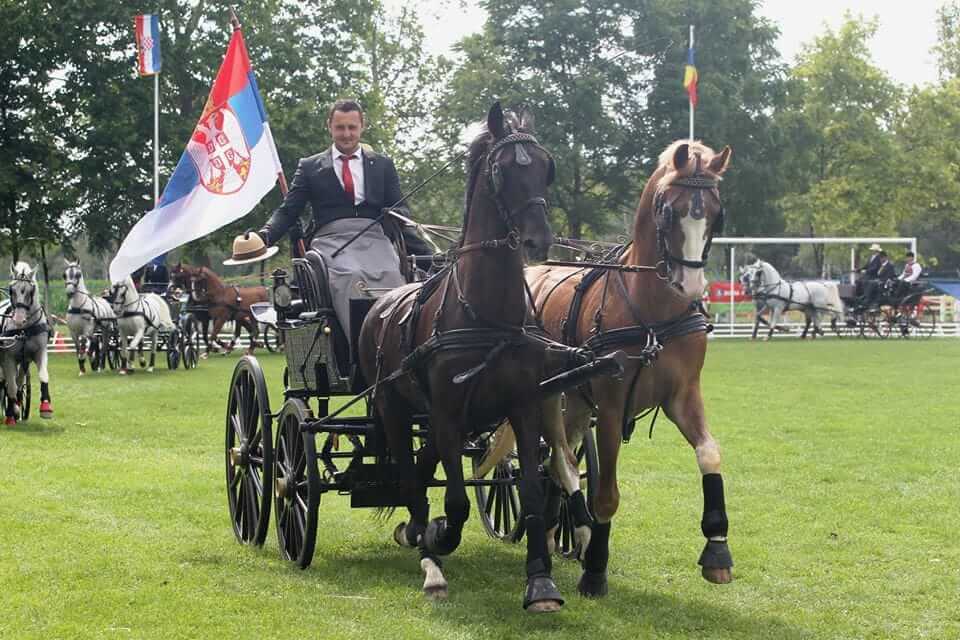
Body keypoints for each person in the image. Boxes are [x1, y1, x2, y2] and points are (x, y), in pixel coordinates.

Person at [240, 98, 425, 339]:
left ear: (362, 126)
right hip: (331, 242)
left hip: (375, 239)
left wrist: (398, 215)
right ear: (330, 126)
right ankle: (361, 348)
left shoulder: (383, 165)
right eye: (340, 128)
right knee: (350, 276)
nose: (346, 134)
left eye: (352, 127)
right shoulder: (310, 167)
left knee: (392, 276)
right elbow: (288, 210)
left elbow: (402, 209)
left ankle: (397, 346)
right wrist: (264, 235)